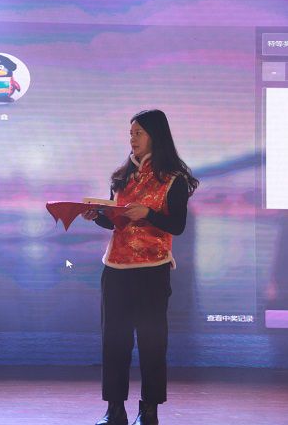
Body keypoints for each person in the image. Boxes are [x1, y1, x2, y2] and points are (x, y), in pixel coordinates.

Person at [82, 110, 198, 425]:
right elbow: (115, 222)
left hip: (152, 269)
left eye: (139, 133)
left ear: (155, 135)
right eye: (131, 133)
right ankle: (114, 410)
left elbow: (177, 226)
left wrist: (148, 213)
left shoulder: (174, 178)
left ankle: (149, 410)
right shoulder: (122, 176)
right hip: (115, 268)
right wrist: (98, 216)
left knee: (152, 342)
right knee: (114, 341)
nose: (132, 138)